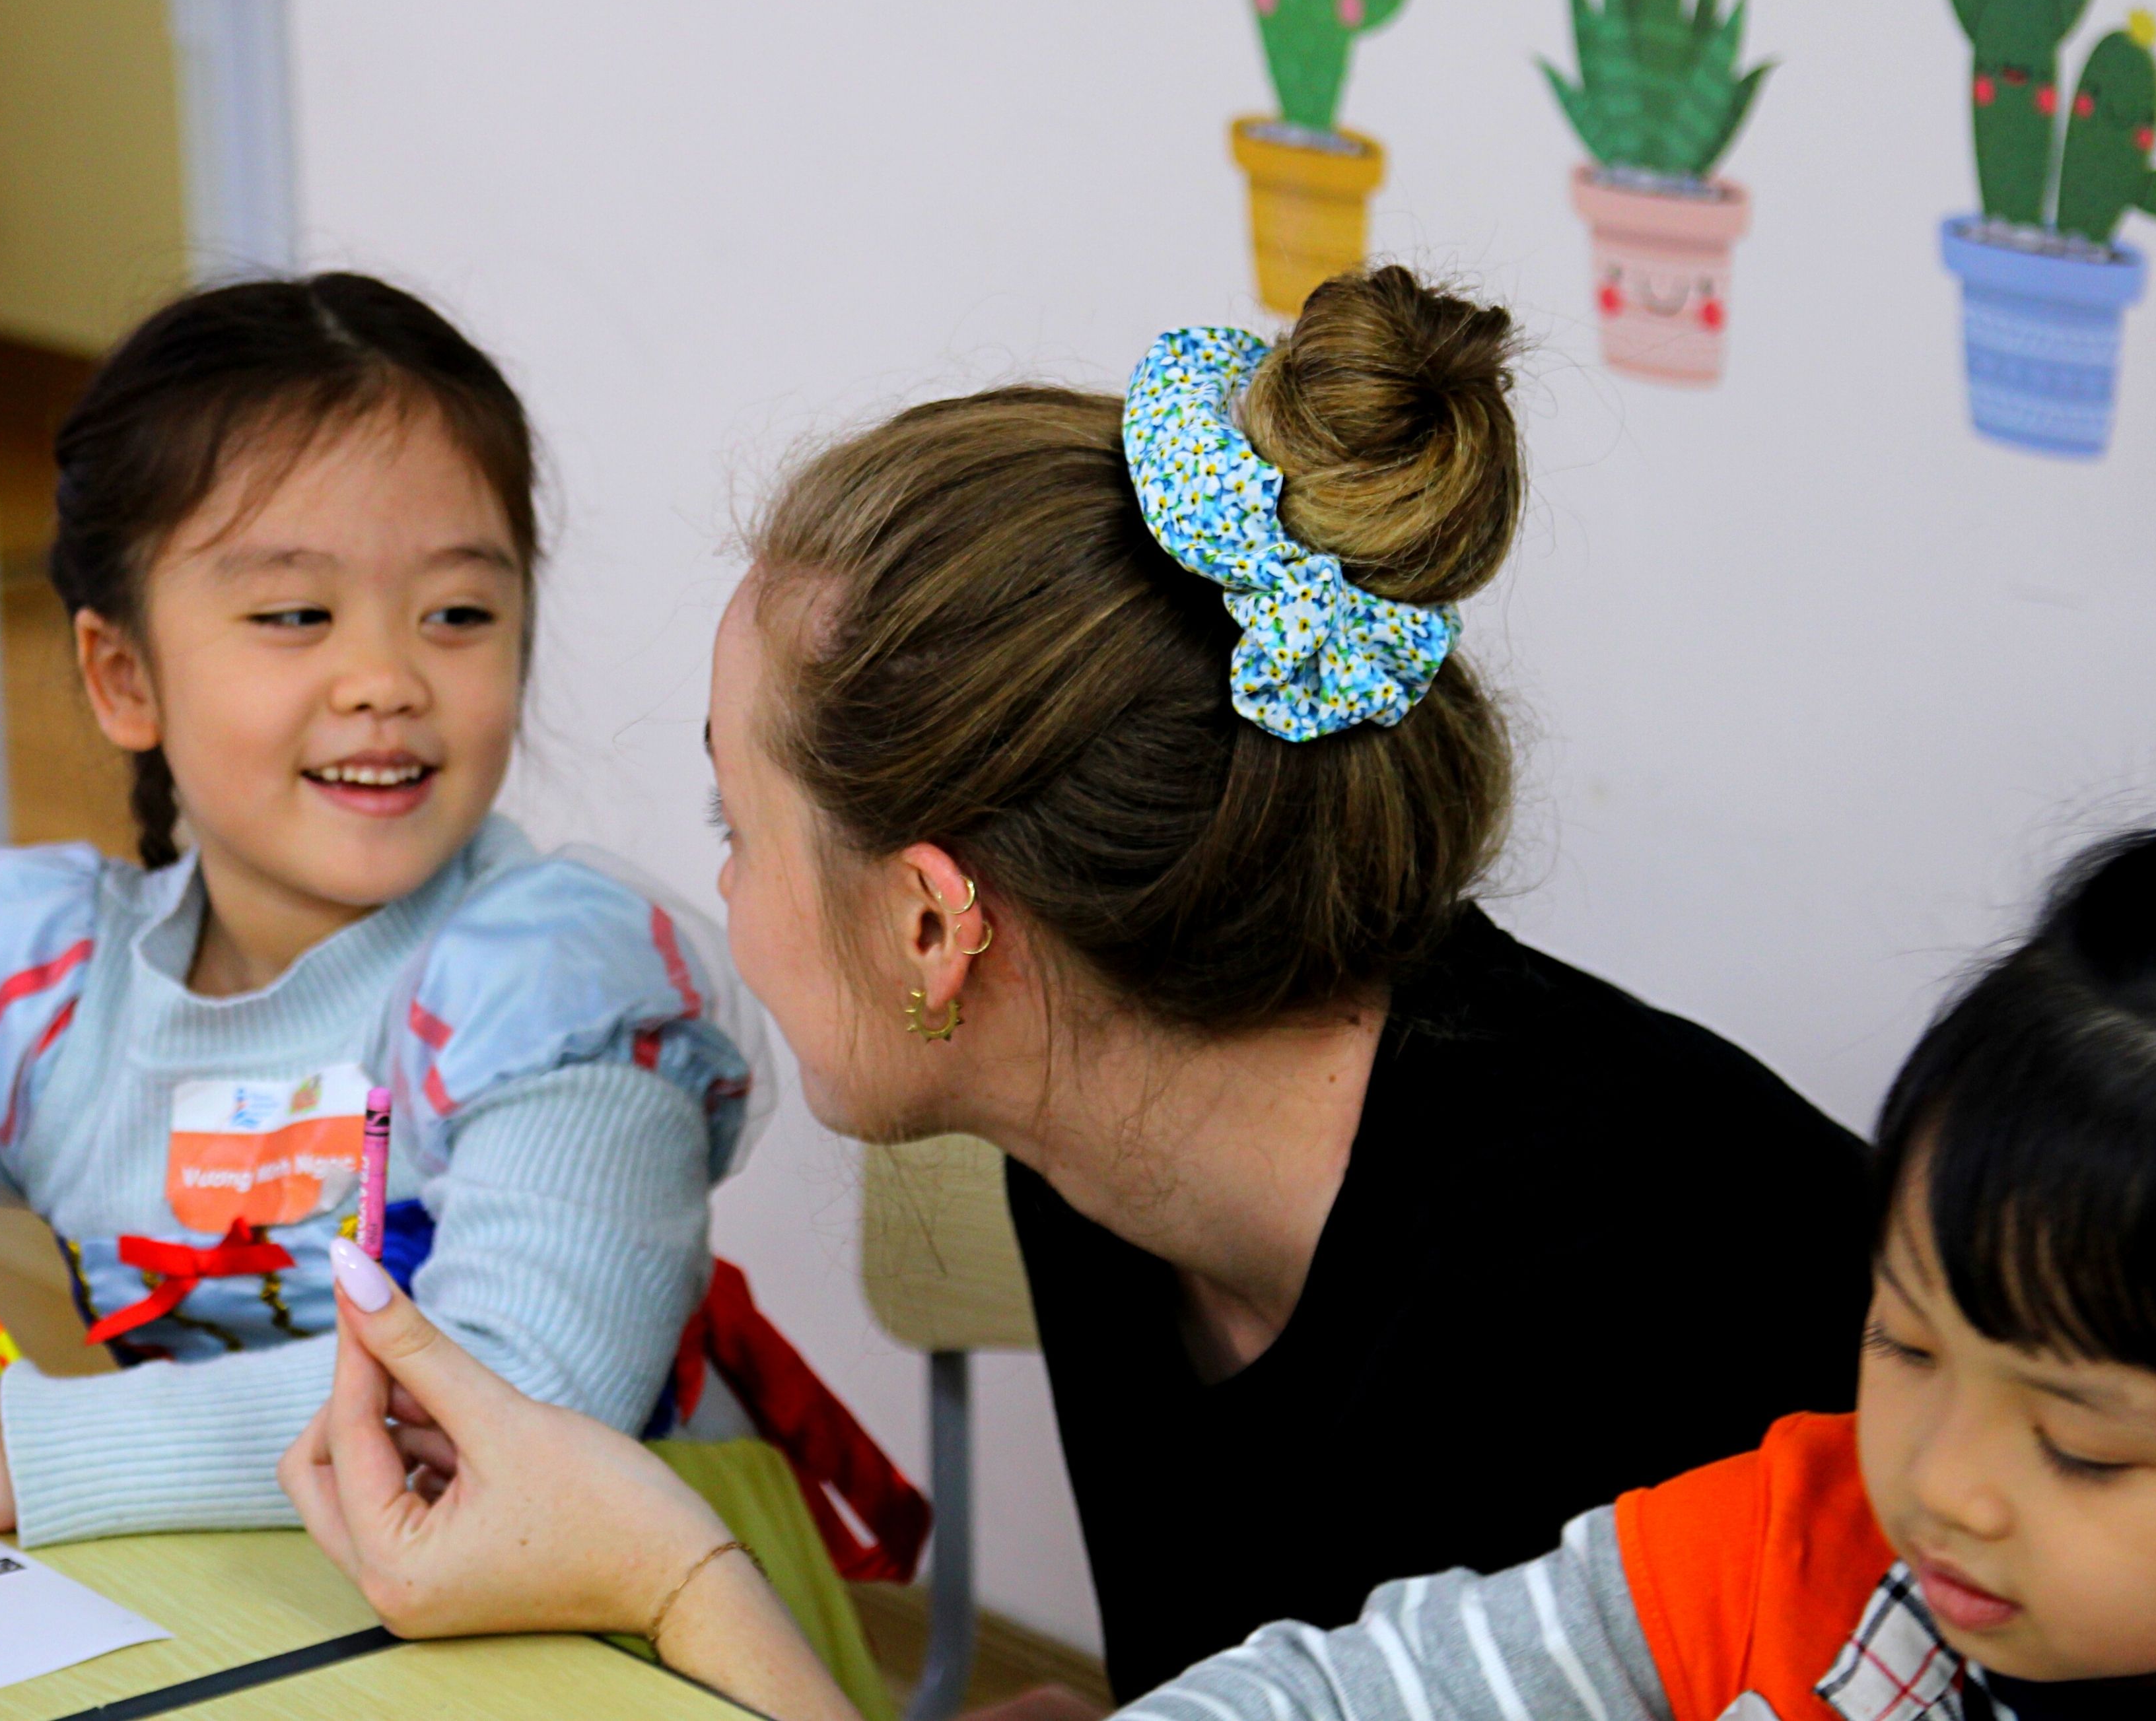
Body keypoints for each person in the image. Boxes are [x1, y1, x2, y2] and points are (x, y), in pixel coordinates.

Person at [285, 805, 2156, 1721]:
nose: (1941, 1477)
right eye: (1904, 1341)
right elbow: (1352, 1686)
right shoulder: (1794, 1535)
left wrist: (689, 1582)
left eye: (2082, 1446)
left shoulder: (1595, 1234)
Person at [708, 269, 1863, 1695]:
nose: (727, 896)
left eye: (735, 829)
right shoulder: (1088, 1150)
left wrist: (678, 1573)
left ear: (934, 929)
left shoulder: (1621, 1299)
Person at [0, 274, 757, 1549]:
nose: (385, 679)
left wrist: (18, 1448)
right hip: (267, 1599)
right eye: (295, 615)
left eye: (458, 614)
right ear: (124, 677)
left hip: (623, 1614)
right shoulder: (47, 985)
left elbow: (522, 1399)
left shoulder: (556, 985)